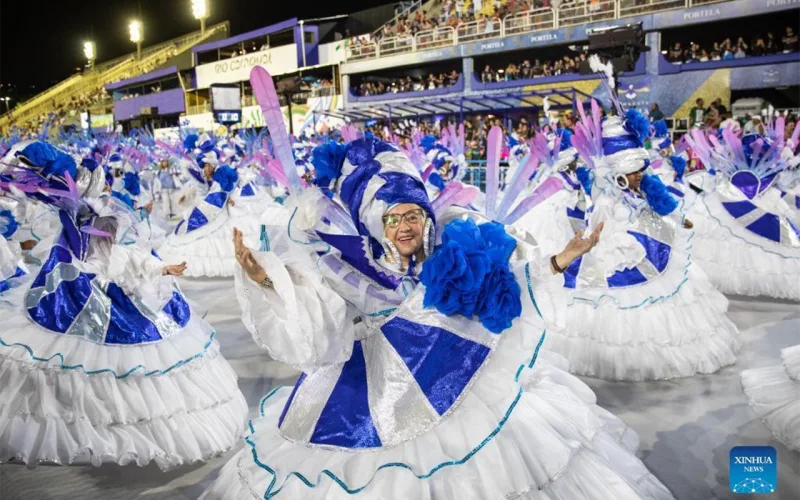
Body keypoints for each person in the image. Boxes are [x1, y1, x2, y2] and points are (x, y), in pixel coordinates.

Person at [202, 134, 675, 499]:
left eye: (413, 215)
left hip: (461, 381)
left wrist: (563, 257)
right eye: (392, 218)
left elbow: (510, 281)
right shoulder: (350, 269)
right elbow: (317, 321)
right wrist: (266, 280)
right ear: (375, 223)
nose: (405, 227)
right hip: (374, 398)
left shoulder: (452, 253)